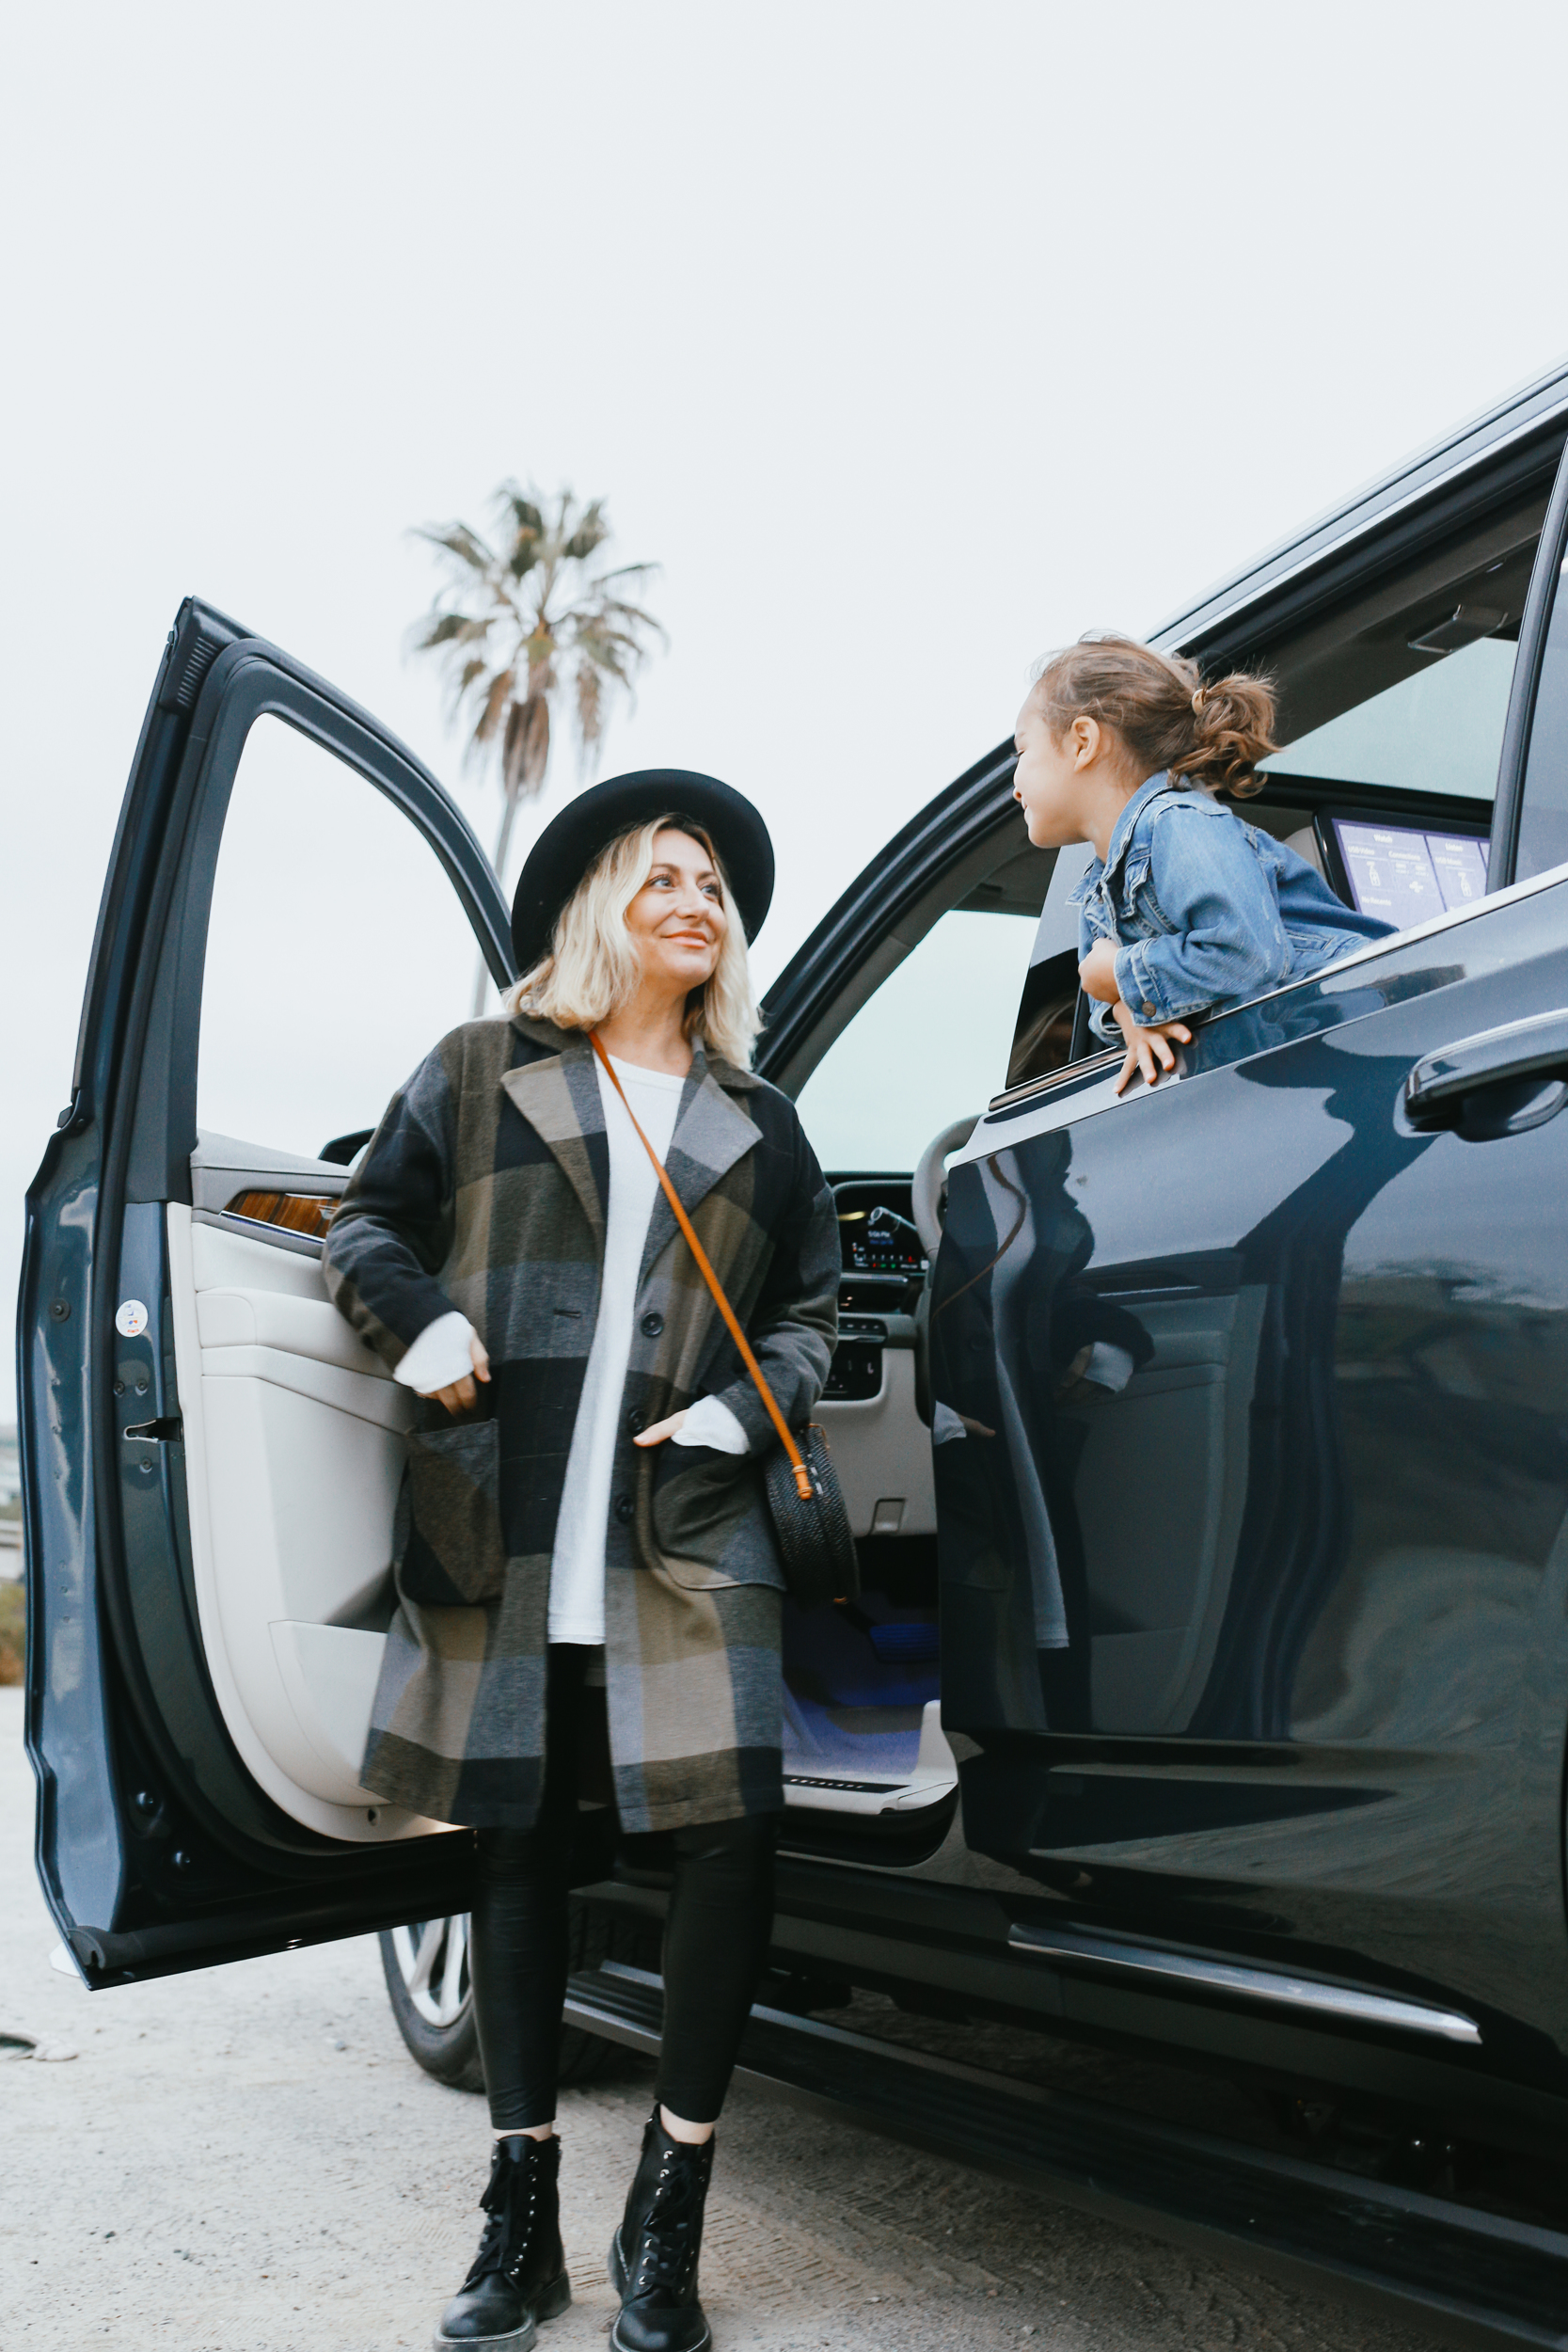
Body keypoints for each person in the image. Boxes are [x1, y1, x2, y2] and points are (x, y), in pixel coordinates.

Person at [323, 771, 838, 2352]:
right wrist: (428, 1327)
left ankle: (668, 2208)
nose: (695, 902)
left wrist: (739, 1422)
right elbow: (362, 1228)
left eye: (715, 889)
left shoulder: (760, 1122)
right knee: (518, 1844)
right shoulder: (483, 1068)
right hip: (512, 1507)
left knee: (732, 1841)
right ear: (602, 904)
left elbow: (816, 1315)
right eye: (663, 876)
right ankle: (521, 2206)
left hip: (686, 1532)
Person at [1011, 634, 1395, 1091]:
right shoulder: (1099, 888)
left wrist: (1120, 973)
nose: (1014, 787)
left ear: (1082, 742)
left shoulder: (1179, 823)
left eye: (1021, 753)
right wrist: (1130, 1016)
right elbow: (1101, 997)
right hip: (1302, 1060)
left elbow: (1248, 954)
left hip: (1368, 1017)